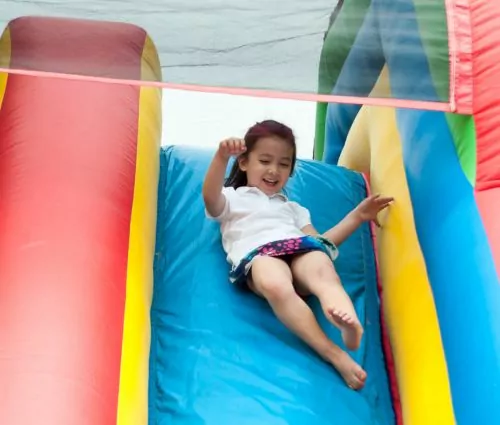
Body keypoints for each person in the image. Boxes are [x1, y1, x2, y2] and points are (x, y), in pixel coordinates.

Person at [202, 120, 393, 390]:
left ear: (291, 169)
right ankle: (335, 354)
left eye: (283, 164)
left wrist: (357, 216)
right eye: (265, 160)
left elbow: (320, 242)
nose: (273, 170)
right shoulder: (232, 198)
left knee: (321, 264)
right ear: (244, 162)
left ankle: (346, 321)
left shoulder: (293, 209)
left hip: (298, 246)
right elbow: (210, 198)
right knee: (275, 283)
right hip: (260, 253)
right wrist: (221, 157)